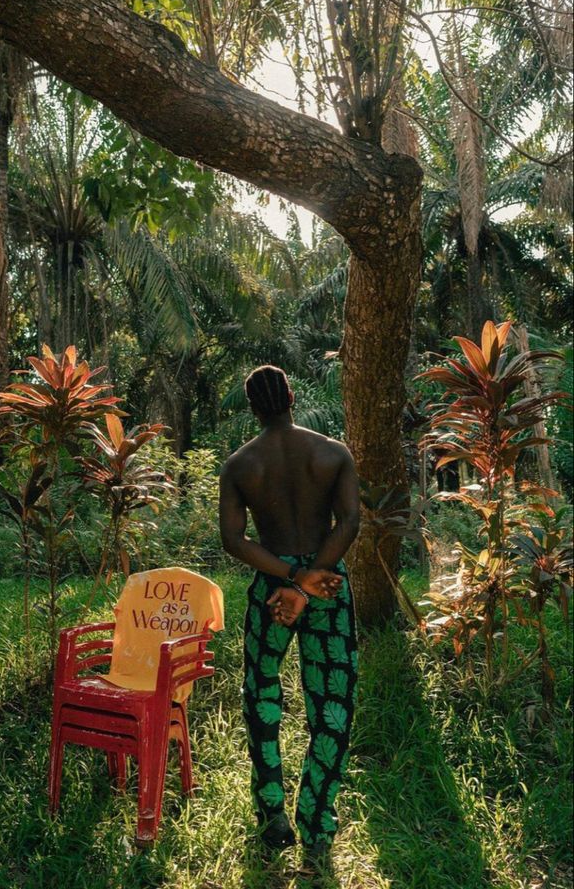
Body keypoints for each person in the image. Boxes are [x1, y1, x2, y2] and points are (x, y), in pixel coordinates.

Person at [219, 364, 360, 874]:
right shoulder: (332, 453)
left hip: (270, 593)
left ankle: (272, 816)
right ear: (292, 397)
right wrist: (309, 582)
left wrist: (287, 580)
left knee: (262, 696)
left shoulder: (240, 465)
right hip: (327, 589)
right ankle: (318, 821)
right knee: (332, 705)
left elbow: (233, 540)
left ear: (253, 406)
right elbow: (350, 522)